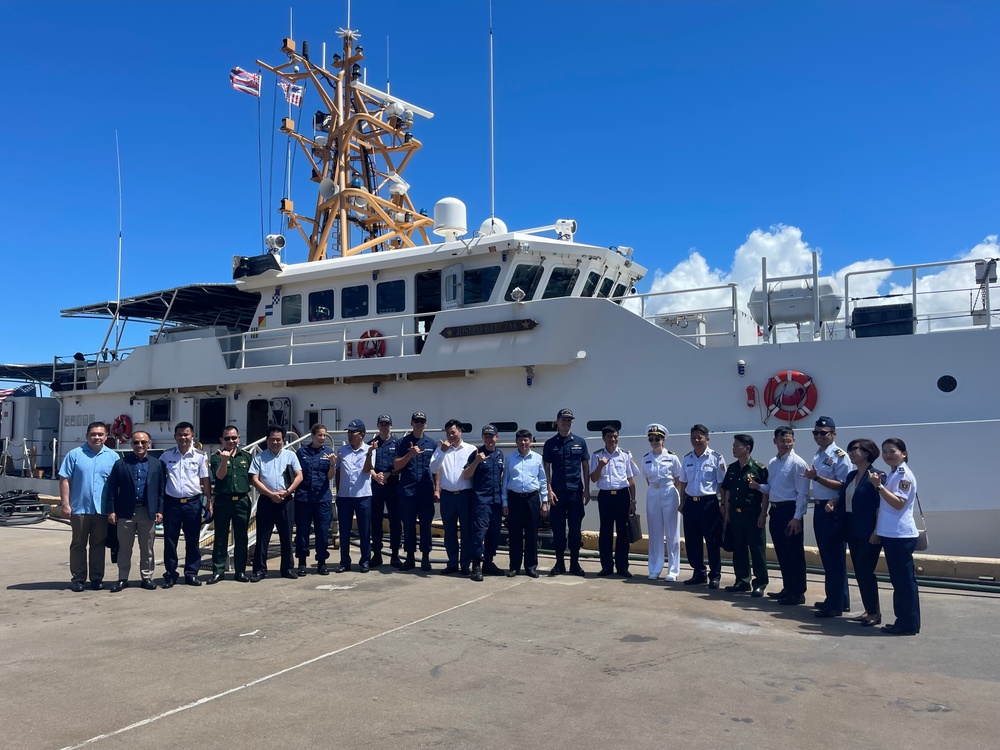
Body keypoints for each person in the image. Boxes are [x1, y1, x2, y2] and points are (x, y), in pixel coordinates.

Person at [750, 427, 810, 605]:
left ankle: (798, 592)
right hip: (775, 510)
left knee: (794, 554)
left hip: (790, 511)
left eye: (789, 440)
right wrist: (758, 487)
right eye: (782, 440)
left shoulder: (798, 463)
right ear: (774, 441)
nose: (786, 444)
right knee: (782, 552)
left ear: (794, 442)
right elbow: (772, 489)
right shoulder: (773, 462)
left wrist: (797, 517)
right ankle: (788, 588)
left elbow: (802, 493)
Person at [58, 422, 120, 591]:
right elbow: (64, 480)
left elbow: (116, 485)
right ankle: (78, 579)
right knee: (78, 544)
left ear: (106, 437)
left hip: (102, 510)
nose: (97, 437)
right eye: (93, 434)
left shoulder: (113, 457)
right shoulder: (74, 455)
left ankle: (96, 578)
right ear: (87, 436)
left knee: (98, 544)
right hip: (79, 508)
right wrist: (65, 504)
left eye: (100, 434)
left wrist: (114, 509)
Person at [869, 438, 921, 636]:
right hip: (892, 534)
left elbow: (899, 503)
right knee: (899, 581)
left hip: (900, 535)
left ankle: (908, 623)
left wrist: (879, 487)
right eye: (885, 452)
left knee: (904, 582)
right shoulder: (893, 474)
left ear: (904, 453)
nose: (888, 455)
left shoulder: (903, 475)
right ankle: (904, 620)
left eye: (893, 451)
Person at [803, 416, 852, 617]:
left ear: (834, 434)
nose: (819, 436)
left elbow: (844, 485)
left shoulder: (840, 456)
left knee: (834, 558)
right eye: (815, 433)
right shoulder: (819, 454)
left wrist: (816, 478)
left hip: (833, 510)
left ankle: (835, 605)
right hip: (821, 508)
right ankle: (839, 599)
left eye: (823, 433)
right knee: (828, 557)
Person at [105, 430, 164, 592]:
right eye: (136, 442)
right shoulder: (121, 464)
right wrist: (111, 511)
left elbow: (161, 490)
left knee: (147, 547)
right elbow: (111, 489)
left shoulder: (156, 464)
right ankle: (123, 578)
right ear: (131, 444)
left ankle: (147, 577)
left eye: (143, 442)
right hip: (125, 513)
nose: (140, 445)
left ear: (149, 444)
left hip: (147, 511)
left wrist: (160, 510)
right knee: (124, 548)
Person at [836, 439, 884, 626]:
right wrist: (834, 502)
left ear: (868, 452)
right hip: (852, 529)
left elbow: (882, 507)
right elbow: (844, 497)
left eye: (856, 449)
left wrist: (877, 530)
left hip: (868, 531)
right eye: (850, 449)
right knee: (859, 571)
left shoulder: (878, 475)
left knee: (866, 571)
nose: (852, 452)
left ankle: (874, 612)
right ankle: (869, 609)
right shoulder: (851, 475)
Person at [161, 421, 212, 587]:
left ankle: (191, 573)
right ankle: (170, 573)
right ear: (175, 437)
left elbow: (205, 480)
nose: (183, 438)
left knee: (192, 540)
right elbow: (161, 480)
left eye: (186, 434)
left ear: (192, 436)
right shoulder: (166, 456)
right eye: (180, 435)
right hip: (172, 504)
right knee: (170, 540)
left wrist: (208, 501)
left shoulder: (200, 456)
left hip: (192, 503)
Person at [249, 425, 303, 581]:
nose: (275, 442)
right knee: (263, 537)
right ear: (267, 440)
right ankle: (259, 570)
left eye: (278, 439)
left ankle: (287, 568)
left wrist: (287, 491)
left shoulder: (290, 456)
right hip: (266, 500)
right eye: (272, 439)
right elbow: (254, 479)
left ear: (283, 440)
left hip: (286, 500)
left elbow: (299, 476)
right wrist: (271, 494)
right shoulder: (259, 458)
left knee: (286, 537)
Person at [677, 424, 727, 588]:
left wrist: (723, 504)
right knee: (692, 540)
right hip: (691, 504)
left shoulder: (716, 458)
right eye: (693, 438)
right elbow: (683, 483)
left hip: (709, 504)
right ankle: (699, 572)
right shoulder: (687, 458)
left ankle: (715, 575)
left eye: (699, 437)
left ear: (707, 438)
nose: (696, 441)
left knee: (712, 541)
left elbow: (722, 485)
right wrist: (682, 503)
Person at [719, 434, 768, 596]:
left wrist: (763, 514)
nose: (733, 449)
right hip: (735, 514)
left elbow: (765, 493)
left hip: (752, 514)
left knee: (757, 550)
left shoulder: (759, 469)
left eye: (736, 446)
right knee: (739, 549)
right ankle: (742, 580)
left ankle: (760, 583)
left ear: (747, 448)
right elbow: (727, 490)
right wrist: (726, 509)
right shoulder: (732, 468)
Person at [543, 408, 590, 576]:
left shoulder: (580, 442)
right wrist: (548, 489)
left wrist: (587, 490)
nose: (566, 423)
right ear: (557, 421)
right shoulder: (550, 444)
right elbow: (546, 468)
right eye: (563, 420)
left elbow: (585, 466)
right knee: (558, 529)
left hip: (576, 492)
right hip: (557, 493)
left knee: (575, 530)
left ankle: (575, 564)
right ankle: (559, 563)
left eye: (569, 420)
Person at [207, 425, 253, 584]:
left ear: (239, 438)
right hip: (223, 500)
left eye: (234, 438)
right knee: (220, 537)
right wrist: (224, 460)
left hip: (241, 501)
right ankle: (218, 571)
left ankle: (240, 571)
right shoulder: (215, 457)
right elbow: (219, 477)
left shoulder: (246, 456)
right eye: (227, 438)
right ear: (222, 440)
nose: (231, 441)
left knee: (241, 537)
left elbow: (252, 478)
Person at [430, 419, 477, 575]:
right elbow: (433, 468)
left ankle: (465, 563)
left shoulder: (471, 449)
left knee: (466, 531)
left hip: (465, 495)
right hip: (448, 496)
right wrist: (442, 451)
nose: (450, 435)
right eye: (448, 433)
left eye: (453, 432)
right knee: (449, 531)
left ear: (460, 432)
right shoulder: (440, 450)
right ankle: (452, 563)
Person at [590, 426, 637, 578]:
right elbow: (593, 478)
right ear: (603, 438)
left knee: (623, 532)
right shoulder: (597, 456)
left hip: (622, 495)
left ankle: (622, 566)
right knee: (606, 532)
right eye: (610, 436)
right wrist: (601, 466)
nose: (613, 439)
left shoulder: (625, 455)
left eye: (615, 436)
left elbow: (631, 480)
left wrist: (633, 501)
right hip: (605, 496)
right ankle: (606, 567)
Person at [462, 424, 506, 581]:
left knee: (494, 534)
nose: (488, 439)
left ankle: (488, 562)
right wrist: (476, 462)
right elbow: (466, 475)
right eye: (486, 436)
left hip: (496, 501)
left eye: (491, 436)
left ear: (496, 437)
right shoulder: (476, 454)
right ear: (483, 437)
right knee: (479, 533)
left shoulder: (500, 454)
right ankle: (476, 566)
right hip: (481, 501)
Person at [394, 411, 437, 571]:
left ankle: (425, 558)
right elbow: (397, 465)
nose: (419, 423)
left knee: (426, 525)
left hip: (426, 492)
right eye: (416, 421)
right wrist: (410, 455)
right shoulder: (403, 443)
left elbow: (436, 469)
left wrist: (437, 489)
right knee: (409, 526)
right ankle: (410, 558)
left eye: (422, 421)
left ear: (425, 424)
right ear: (411, 423)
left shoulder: (432, 444)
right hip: (407, 492)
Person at [503, 429, 548, 578]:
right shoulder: (510, 459)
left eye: (526, 440)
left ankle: (530, 566)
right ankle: (514, 566)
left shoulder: (537, 458)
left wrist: (544, 502)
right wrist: (505, 503)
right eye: (520, 440)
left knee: (532, 534)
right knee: (514, 533)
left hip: (532, 499)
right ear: (516, 442)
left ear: (531, 441)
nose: (523, 443)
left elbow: (542, 480)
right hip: (514, 499)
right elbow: (505, 482)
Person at [640, 423, 682, 581]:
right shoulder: (646, 459)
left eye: (657, 438)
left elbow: (678, 478)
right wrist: (654, 490)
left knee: (672, 533)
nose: (654, 441)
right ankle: (655, 568)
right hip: (653, 493)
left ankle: (673, 570)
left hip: (669, 492)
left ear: (663, 440)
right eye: (651, 439)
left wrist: (676, 496)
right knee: (655, 532)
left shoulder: (672, 457)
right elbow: (646, 478)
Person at [295, 423, 336, 575]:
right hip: (304, 497)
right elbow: (296, 473)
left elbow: (330, 476)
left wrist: (332, 464)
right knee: (302, 531)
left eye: (324, 435)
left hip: (322, 498)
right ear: (312, 436)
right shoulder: (301, 452)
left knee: (323, 531)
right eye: (320, 435)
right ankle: (302, 562)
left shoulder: (329, 453)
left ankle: (322, 562)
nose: (323, 438)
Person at [335, 419, 375, 572]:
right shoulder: (342, 450)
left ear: (362, 434)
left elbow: (367, 470)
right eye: (349, 432)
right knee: (344, 530)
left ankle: (365, 561)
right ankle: (345, 561)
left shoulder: (369, 450)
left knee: (364, 530)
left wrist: (369, 454)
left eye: (353, 432)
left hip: (363, 495)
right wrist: (339, 492)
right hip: (344, 496)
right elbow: (338, 472)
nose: (350, 435)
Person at [368, 415, 401, 568]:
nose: (384, 426)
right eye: (381, 424)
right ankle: (377, 554)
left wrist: (390, 473)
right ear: (378, 425)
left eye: (387, 424)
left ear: (391, 426)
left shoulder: (398, 443)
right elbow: (367, 465)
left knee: (395, 520)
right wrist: (375, 475)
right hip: (376, 486)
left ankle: (395, 555)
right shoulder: (371, 444)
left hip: (393, 484)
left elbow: (401, 464)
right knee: (376, 521)